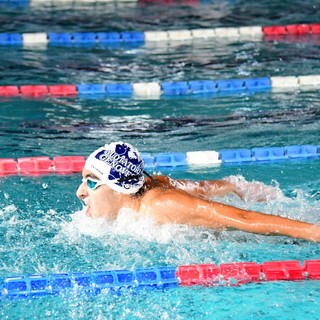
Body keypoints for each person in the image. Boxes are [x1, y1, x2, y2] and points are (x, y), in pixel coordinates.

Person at [76, 141, 320, 242]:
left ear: (121, 188)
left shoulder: (161, 205)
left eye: (92, 181)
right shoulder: (150, 184)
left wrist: (311, 231)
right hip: (181, 193)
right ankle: (234, 185)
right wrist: (232, 186)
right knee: (200, 188)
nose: (80, 192)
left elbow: (241, 218)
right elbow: (200, 188)